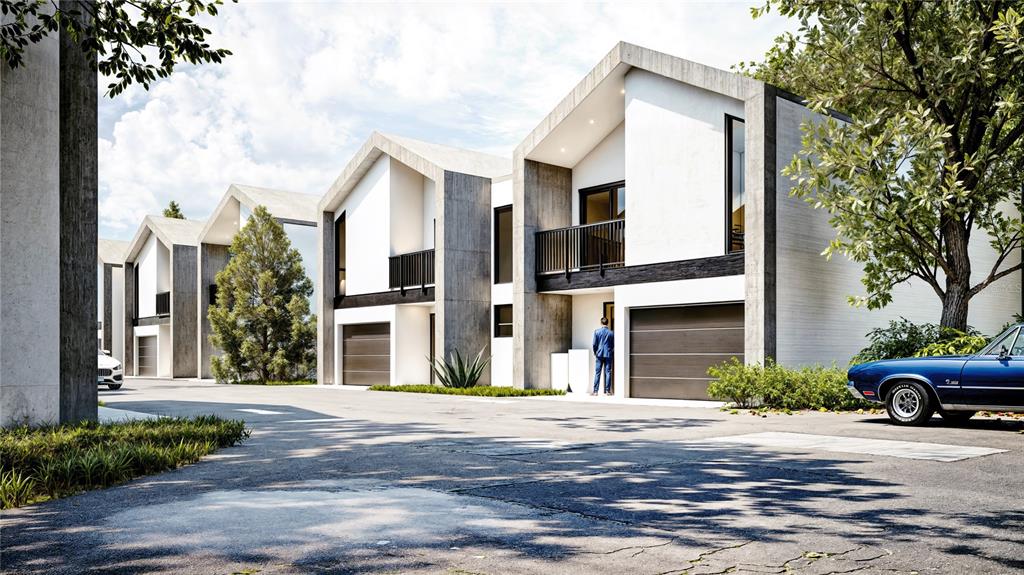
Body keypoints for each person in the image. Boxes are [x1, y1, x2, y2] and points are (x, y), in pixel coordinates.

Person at [591, 317, 614, 396]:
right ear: (608, 323)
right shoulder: (611, 333)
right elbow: (613, 344)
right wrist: (610, 351)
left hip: (599, 354)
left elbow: (594, 344)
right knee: (608, 372)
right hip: (608, 354)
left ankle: (595, 391)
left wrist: (595, 352)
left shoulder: (597, 332)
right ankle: (607, 391)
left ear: (601, 323)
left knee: (597, 373)